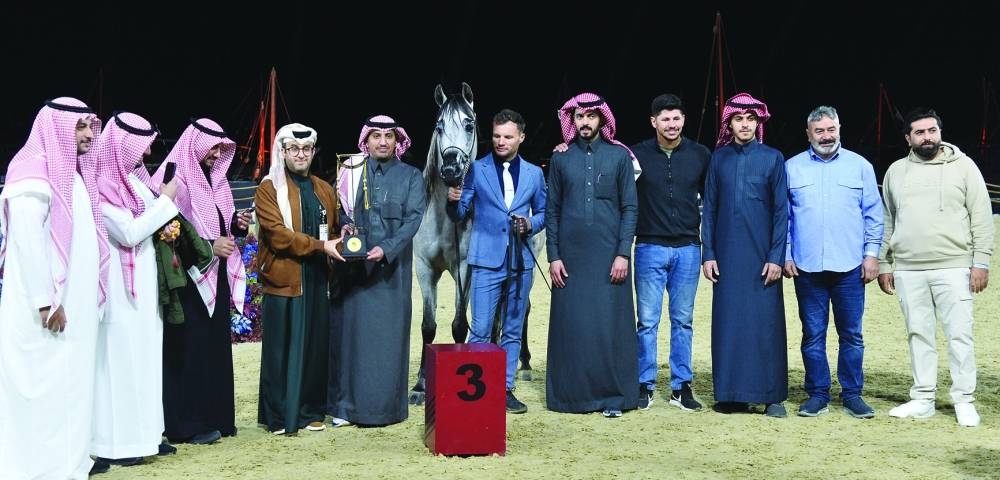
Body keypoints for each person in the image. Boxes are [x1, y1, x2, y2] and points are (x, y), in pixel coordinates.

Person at [0, 97, 110, 478]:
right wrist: (45, 302)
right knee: (40, 392)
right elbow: (27, 245)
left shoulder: (74, 173)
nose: (88, 134)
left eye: (90, 127)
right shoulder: (30, 172)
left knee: (70, 389)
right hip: (43, 313)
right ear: (58, 127)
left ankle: (68, 465)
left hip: (72, 309)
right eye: (80, 127)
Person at [878, 108, 994, 427]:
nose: (927, 137)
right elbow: (888, 220)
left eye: (932, 130)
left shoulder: (964, 167)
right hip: (908, 269)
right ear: (908, 138)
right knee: (919, 334)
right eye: (920, 132)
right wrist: (885, 262)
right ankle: (923, 398)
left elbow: (982, 217)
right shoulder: (896, 172)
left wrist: (980, 262)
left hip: (954, 266)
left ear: (940, 132)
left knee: (959, 334)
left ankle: (964, 400)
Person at [150, 118, 252, 444]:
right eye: (212, 147)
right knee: (189, 351)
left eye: (221, 147)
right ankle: (186, 425)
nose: (217, 153)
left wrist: (235, 225)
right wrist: (210, 246)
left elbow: (217, 226)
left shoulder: (217, 181)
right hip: (188, 281)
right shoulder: (175, 180)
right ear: (195, 144)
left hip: (215, 278)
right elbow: (168, 234)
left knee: (214, 350)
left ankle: (216, 418)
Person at [91, 112, 182, 469]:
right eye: (140, 148)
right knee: (121, 363)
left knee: (145, 360)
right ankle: (120, 443)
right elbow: (128, 233)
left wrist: (162, 208)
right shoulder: (101, 183)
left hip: (144, 285)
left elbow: (150, 222)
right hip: (118, 288)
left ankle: (147, 435)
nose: (144, 156)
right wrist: (167, 200)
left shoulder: (132, 180)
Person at [784, 106, 884, 419]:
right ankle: (818, 393)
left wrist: (871, 255)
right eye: (819, 131)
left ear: (839, 129)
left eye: (831, 129)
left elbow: (873, 214)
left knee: (851, 334)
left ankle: (852, 394)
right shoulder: (791, 168)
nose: (826, 136)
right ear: (808, 134)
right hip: (807, 267)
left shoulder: (860, 166)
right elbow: (784, 218)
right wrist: (786, 254)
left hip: (851, 267)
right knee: (812, 334)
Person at [328, 115, 426, 427]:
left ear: (398, 142)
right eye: (376, 136)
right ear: (365, 141)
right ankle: (345, 408)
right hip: (353, 272)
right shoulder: (351, 172)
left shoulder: (412, 176)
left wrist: (387, 248)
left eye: (389, 136)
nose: (382, 142)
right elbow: (341, 211)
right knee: (349, 339)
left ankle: (385, 409)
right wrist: (345, 226)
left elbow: (413, 219)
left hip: (391, 274)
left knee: (386, 341)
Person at [446, 108, 546, 414]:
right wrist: (453, 201)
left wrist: (529, 224)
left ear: (521, 138)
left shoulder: (534, 173)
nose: (501, 142)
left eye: (507, 137)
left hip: (520, 262)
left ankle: (505, 388)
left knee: (513, 329)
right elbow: (461, 213)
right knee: (481, 328)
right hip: (486, 261)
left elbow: (544, 212)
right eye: (496, 136)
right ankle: (477, 391)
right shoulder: (476, 169)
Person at [545, 92, 638, 418]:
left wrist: (622, 254)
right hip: (569, 261)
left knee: (609, 327)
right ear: (572, 120)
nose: (584, 122)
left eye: (590, 116)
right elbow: (552, 210)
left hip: (609, 259)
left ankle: (614, 397)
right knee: (574, 327)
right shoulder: (560, 158)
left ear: (602, 119)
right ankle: (571, 398)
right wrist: (553, 256)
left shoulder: (619, 157)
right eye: (579, 117)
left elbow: (630, 208)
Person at [701, 92, 789, 418]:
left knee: (765, 325)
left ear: (758, 123)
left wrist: (776, 257)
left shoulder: (773, 158)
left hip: (762, 260)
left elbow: (782, 212)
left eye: (751, 119)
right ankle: (731, 394)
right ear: (730, 123)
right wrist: (708, 253)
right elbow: (709, 208)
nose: (745, 124)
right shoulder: (719, 158)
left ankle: (772, 395)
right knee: (728, 325)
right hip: (725, 257)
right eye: (739, 119)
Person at [255, 123, 343, 435]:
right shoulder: (268, 189)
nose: (301, 155)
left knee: (315, 347)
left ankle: (310, 411)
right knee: (281, 349)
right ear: (283, 152)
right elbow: (279, 238)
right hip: (283, 279)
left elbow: (333, 226)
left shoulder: (323, 188)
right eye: (294, 149)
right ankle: (279, 417)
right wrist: (322, 246)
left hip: (317, 280)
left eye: (306, 149)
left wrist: (342, 234)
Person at [630, 94, 711, 411]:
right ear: (654, 122)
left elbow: (712, 201)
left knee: (683, 321)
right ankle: (644, 384)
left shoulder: (700, 154)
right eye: (665, 119)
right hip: (649, 246)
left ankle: (681, 387)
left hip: (689, 248)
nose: (671, 124)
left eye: (676, 118)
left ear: (683, 120)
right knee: (647, 321)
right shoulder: (635, 155)